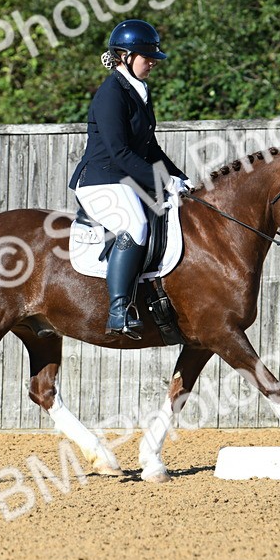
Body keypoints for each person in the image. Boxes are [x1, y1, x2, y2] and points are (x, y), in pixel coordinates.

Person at [69, 19, 190, 339]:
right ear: (123, 56)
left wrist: (180, 178)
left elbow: (150, 147)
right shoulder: (111, 94)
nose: (152, 62)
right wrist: (162, 182)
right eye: (145, 56)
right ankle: (118, 310)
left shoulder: (139, 91)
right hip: (101, 181)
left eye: (152, 57)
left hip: (125, 179)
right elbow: (120, 153)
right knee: (135, 223)